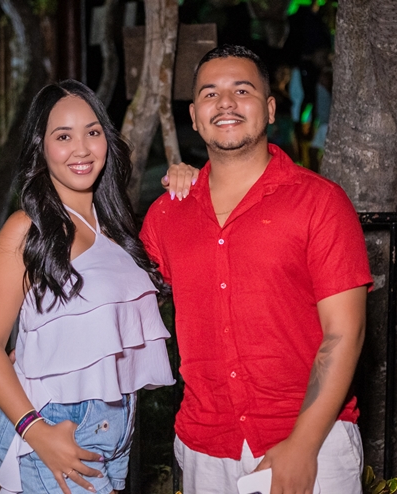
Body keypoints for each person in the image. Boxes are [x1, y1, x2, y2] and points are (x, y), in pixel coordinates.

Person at [142, 45, 372, 494]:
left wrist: (303, 445)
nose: (225, 103)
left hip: (311, 441)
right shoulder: (167, 215)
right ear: (194, 116)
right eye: (210, 94)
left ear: (269, 109)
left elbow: (345, 333)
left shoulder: (319, 202)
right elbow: (117, 292)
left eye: (242, 90)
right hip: (206, 445)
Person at [0, 80, 175, 494]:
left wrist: (190, 178)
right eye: (63, 136)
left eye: (92, 132)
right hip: (53, 425)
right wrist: (37, 432)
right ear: (41, 147)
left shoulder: (115, 227)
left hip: (115, 424)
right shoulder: (26, 230)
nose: (81, 148)